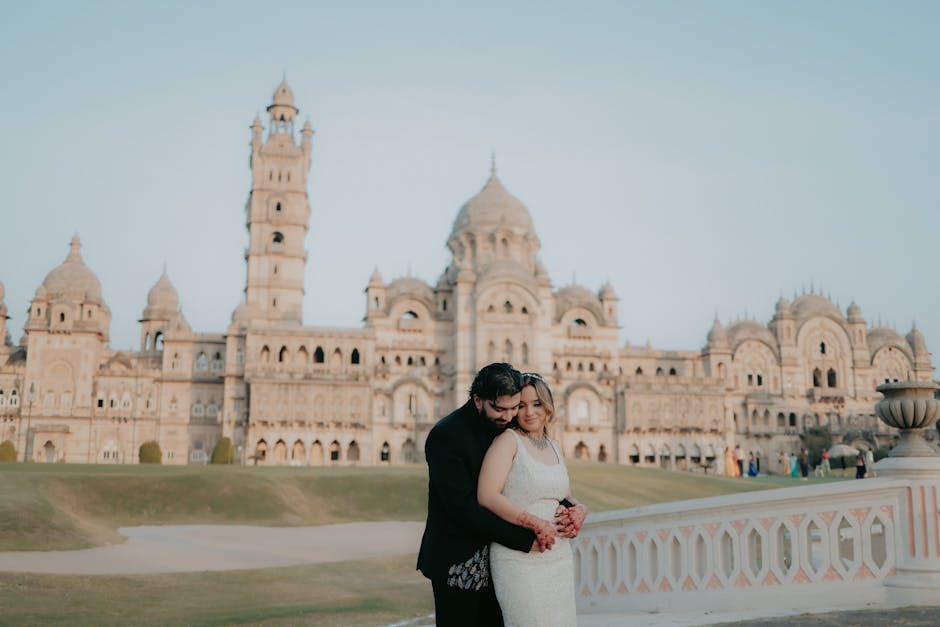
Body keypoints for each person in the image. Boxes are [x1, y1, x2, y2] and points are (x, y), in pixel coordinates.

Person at [418, 363, 551, 626]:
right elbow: (463, 509)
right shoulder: (446, 436)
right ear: (478, 400)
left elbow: (533, 476)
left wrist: (568, 505)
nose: (508, 416)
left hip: (502, 561)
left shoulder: (511, 429)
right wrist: (523, 539)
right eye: (499, 409)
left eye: (514, 408)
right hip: (459, 559)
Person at [478, 372, 585, 627]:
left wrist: (580, 508)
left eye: (537, 404)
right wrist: (534, 523)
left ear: (547, 406)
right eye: (522, 406)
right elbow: (486, 495)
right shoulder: (507, 441)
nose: (529, 412)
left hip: (557, 557)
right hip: (519, 558)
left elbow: (564, 495)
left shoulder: (553, 446)